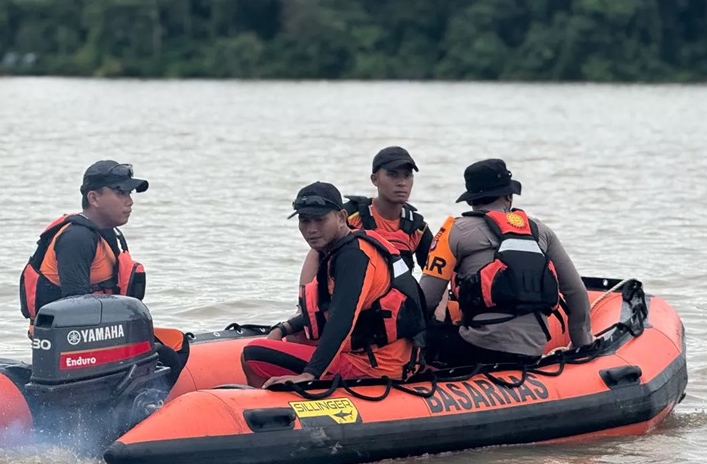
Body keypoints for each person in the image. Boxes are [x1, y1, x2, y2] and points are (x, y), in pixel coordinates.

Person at [242, 182, 427, 389]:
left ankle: (263, 410)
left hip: (376, 364)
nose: (311, 230)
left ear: (341, 217)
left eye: (320, 220)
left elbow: (342, 320)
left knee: (253, 354)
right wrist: (284, 327)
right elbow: (324, 308)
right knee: (298, 335)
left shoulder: (354, 256)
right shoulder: (339, 250)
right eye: (304, 221)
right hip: (371, 354)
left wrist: (309, 374)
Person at [419, 158, 593, 368]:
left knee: (430, 332)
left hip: (478, 348)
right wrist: (581, 347)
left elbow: (425, 301)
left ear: (471, 200)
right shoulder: (541, 231)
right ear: (509, 197)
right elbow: (576, 292)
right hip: (533, 349)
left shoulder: (454, 231)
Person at [19, 159, 148, 322]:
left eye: (129, 193)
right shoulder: (77, 238)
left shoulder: (108, 234)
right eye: (121, 193)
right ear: (93, 198)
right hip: (71, 339)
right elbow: (76, 312)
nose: (129, 201)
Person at [297, 146, 432, 287]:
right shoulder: (349, 216)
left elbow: (434, 275)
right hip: (346, 294)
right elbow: (317, 251)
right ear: (375, 179)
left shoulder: (417, 228)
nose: (401, 183)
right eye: (393, 175)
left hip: (395, 303)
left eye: (407, 175)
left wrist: (438, 308)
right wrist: (302, 303)